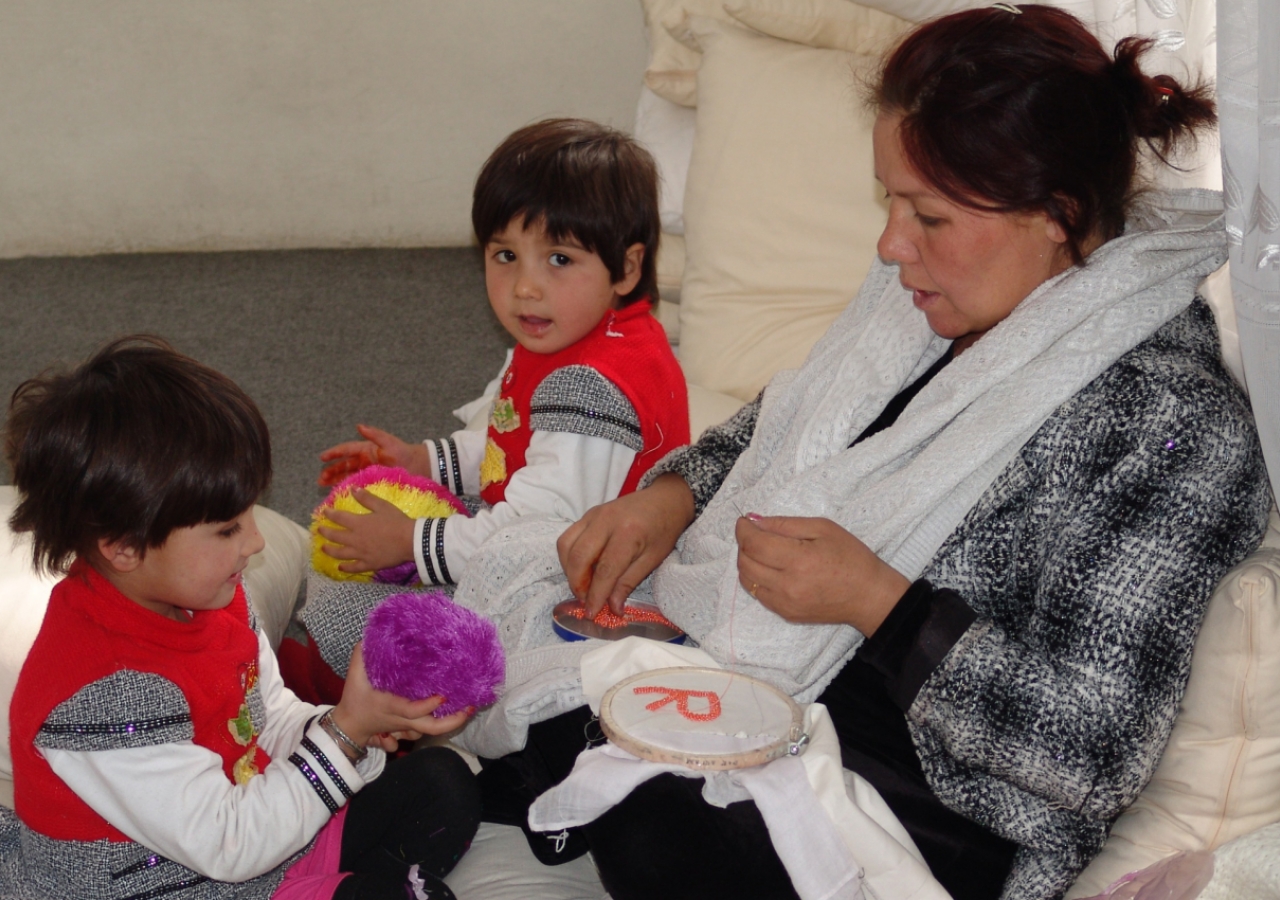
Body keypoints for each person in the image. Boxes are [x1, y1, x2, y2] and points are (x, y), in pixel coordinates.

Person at [465, 7, 1274, 900]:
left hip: (927, 807)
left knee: (654, 811)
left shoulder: (1169, 423)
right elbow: (790, 424)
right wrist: (673, 496)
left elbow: (1089, 754)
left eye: (927, 214)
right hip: (776, 687)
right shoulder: (929, 303)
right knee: (513, 630)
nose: (891, 244)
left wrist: (882, 607)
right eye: (891, 201)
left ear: (1057, 214)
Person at [0, 337, 481, 900]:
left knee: (439, 785)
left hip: (258, 831)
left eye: (248, 515)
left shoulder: (212, 596)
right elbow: (228, 846)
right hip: (182, 883)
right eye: (227, 529)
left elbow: (265, 717)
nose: (255, 542)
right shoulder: (105, 694)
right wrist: (345, 735)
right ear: (123, 546)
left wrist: (356, 726)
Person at [285, 118, 689, 704]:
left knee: (358, 607)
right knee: (351, 554)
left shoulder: (593, 385)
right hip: (539, 536)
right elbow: (512, 441)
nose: (525, 286)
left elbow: (530, 536)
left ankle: (348, 708)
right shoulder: (571, 338)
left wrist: (411, 542)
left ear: (626, 269)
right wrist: (424, 460)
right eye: (505, 255)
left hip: (571, 590)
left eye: (558, 259)